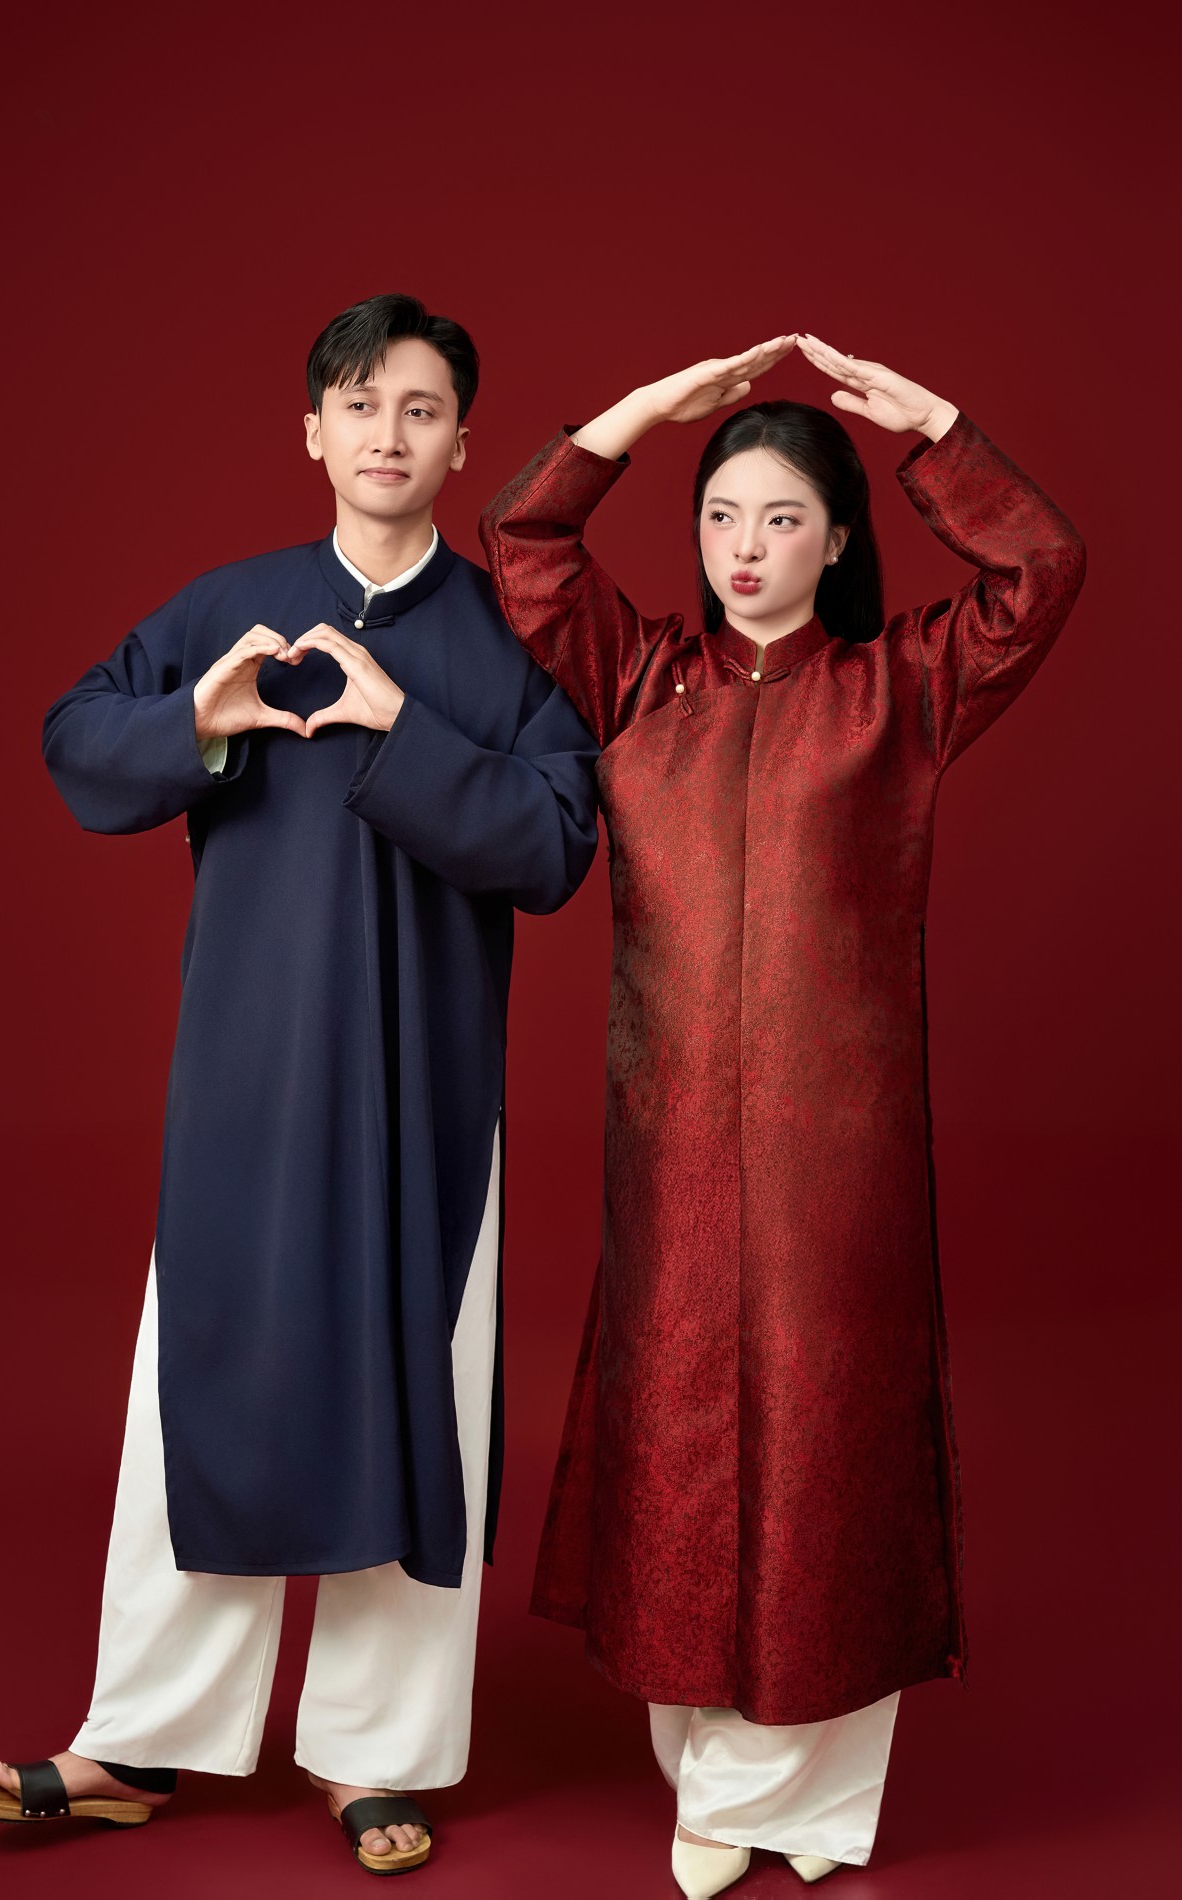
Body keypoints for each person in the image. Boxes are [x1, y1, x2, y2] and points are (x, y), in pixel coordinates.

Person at [0, 292, 599, 1874]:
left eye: (420, 409)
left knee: (416, 1399)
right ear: (311, 430)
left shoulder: (507, 638)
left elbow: (555, 845)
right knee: (199, 1389)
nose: (388, 434)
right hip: (248, 1081)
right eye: (359, 404)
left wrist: (399, 733)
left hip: (429, 1098)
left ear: (462, 443)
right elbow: (76, 740)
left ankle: (376, 1758)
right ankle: (139, 1737)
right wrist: (200, 715)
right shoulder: (231, 609)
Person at [478, 332, 1085, 1896]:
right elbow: (525, 540)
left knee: (826, 1438)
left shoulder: (899, 688)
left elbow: (1039, 571)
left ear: (836, 539)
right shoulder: (636, 678)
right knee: (680, 1433)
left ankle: (774, 1794)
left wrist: (937, 431)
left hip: (839, 1158)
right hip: (668, 1143)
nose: (742, 549)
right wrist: (640, 414)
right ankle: (726, 1772)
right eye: (719, 517)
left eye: (779, 520)